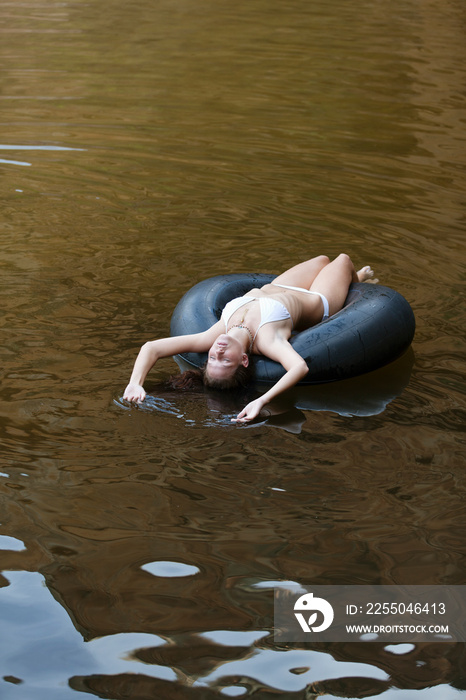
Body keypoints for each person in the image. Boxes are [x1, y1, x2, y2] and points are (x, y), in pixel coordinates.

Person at [123, 254, 376, 423]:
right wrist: (262, 400)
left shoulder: (215, 334)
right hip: (318, 301)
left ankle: (349, 284)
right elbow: (299, 366)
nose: (217, 353)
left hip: (279, 286)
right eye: (224, 362)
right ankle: (356, 285)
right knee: (342, 259)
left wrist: (136, 383)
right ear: (244, 360)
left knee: (322, 259)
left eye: (212, 358)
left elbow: (151, 347)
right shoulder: (266, 340)